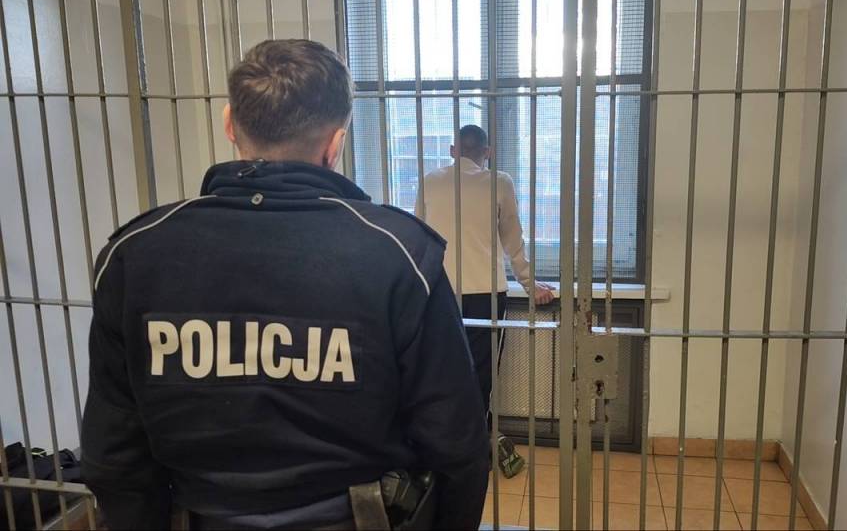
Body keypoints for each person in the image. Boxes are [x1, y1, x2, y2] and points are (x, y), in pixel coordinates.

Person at [80, 39, 488, 530]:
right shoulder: (399, 256)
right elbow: (456, 444)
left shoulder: (134, 255)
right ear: (335, 145)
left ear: (229, 124)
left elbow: (113, 457)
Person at [416, 126, 555, 473]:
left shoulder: (430, 181)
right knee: (480, 374)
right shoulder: (499, 182)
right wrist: (529, 282)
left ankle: (441, 452)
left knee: (441, 370)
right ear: (487, 152)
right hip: (485, 292)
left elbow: (418, 234)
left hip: (439, 290)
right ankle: (474, 452)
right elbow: (513, 239)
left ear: (453, 150)